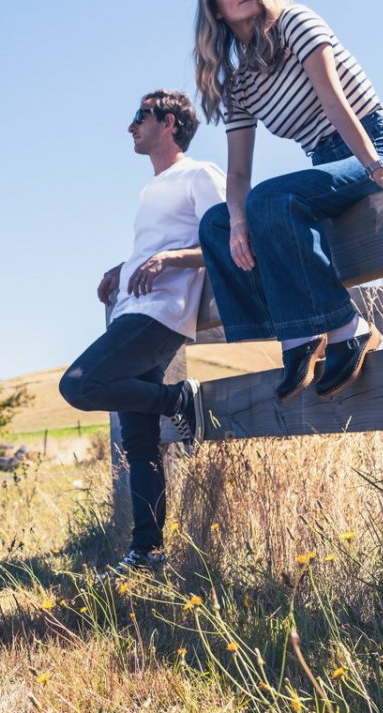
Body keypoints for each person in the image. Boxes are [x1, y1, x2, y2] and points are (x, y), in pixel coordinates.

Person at [193, 0, 383, 402]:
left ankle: (346, 327)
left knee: (270, 200)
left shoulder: (294, 21)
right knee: (216, 223)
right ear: (213, 5)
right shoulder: (239, 83)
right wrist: (238, 223)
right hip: (325, 163)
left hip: (372, 147)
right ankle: (296, 335)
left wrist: (377, 169)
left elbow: (335, 102)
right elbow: (237, 173)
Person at [59, 89, 224, 572]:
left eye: (140, 117)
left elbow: (226, 235)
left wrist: (171, 258)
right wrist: (123, 265)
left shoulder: (200, 174)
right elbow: (162, 241)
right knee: (139, 443)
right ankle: (148, 551)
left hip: (160, 314)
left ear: (168, 123)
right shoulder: (152, 188)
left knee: (80, 384)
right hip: (135, 308)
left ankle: (177, 400)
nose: (131, 126)